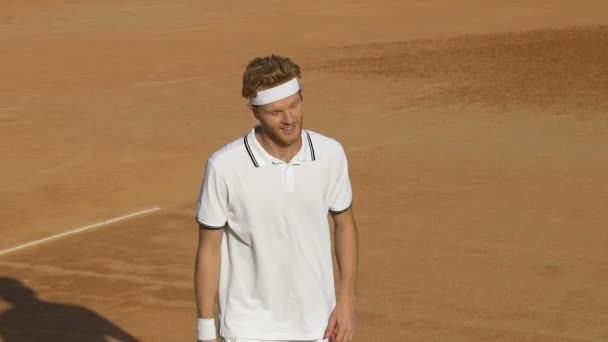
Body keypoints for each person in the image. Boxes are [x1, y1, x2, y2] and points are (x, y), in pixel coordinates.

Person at [194, 55, 359, 342]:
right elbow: (209, 249)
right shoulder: (225, 167)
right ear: (254, 112)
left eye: (294, 105)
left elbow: (344, 224)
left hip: (317, 325)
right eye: (276, 112)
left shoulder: (330, 154)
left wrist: (346, 300)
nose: (289, 119)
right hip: (249, 329)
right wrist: (206, 330)